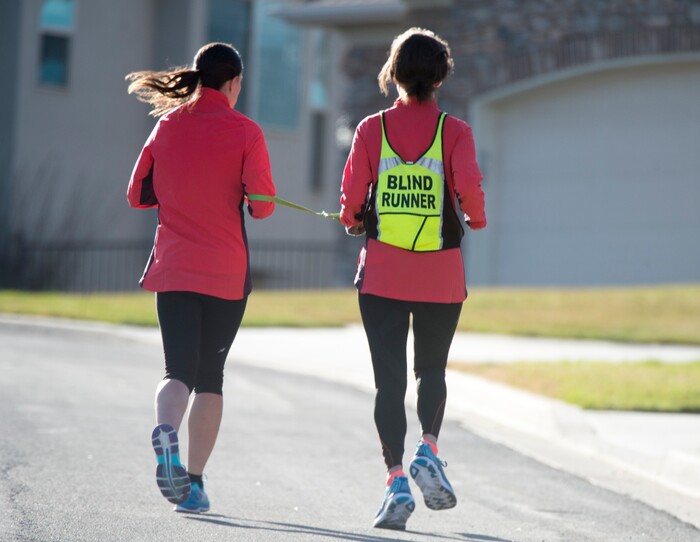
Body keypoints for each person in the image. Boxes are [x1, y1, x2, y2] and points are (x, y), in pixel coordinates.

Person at [339, 28, 487, 530]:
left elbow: (351, 203)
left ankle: (396, 479)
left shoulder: (370, 129)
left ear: (394, 74)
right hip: (441, 276)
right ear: (441, 75)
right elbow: (469, 191)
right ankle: (429, 449)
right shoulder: (456, 132)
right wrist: (477, 217)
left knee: (388, 382)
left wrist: (353, 217)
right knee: (433, 371)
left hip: (381, 275)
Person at [126, 42, 276, 514]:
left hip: (173, 266)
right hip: (225, 274)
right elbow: (264, 206)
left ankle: (165, 432)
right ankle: (192, 483)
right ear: (233, 83)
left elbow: (137, 195)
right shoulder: (247, 131)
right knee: (211, 376)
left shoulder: (166, 125)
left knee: (176, 370)